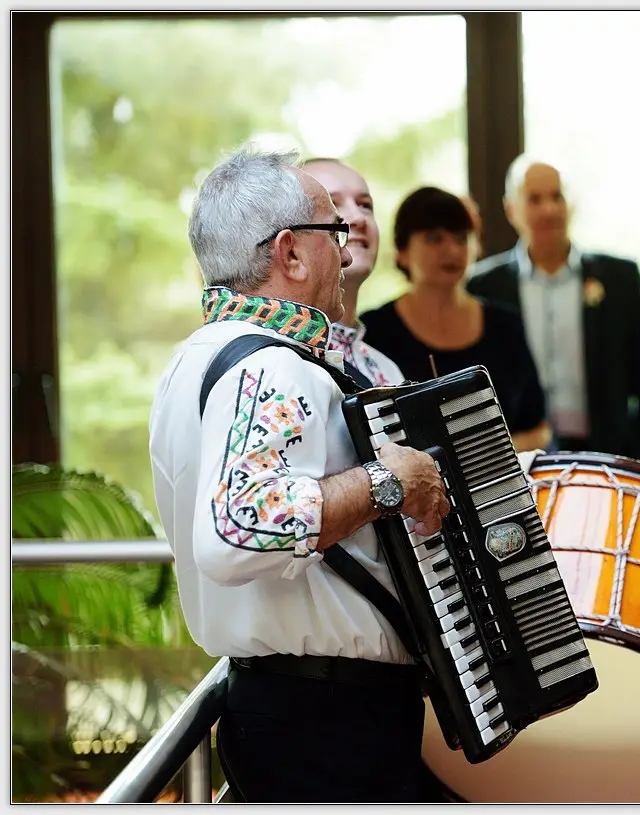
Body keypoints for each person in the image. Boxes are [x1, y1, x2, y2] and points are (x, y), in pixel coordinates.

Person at [148, 146, 451, 803]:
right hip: (328, 722)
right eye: (332, 231)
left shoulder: (194, 358)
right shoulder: (274, 365)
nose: (343, 251)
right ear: (289, 253)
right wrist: (387, 482)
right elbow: (237, 531)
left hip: (291, 709)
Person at [466, 155, 640, 464]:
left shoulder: (620, 278)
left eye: (557, 196)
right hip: (520, 460)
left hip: (607, 456)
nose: (549, 209)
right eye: (535, 199)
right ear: (511, 209)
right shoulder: (484, 286)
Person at [360, 186, 551, 452]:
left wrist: (489, 455)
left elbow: (538, 429)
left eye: (461, 238)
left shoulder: (505, 325)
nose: (451, 250)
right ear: (402, 251)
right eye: (434, 238)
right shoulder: (374, 331)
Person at [302, 157, 404, 386]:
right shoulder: (277, 359)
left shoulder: (388, 371)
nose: (358, 218)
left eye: (365, 205)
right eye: (332, 204)